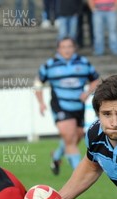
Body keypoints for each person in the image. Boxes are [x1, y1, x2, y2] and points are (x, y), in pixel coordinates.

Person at [35, 37, 99, 175]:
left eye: (69, 46)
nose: (67, 50)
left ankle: (56, 157)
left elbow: (95, 80)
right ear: (58, 49)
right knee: (70, 138)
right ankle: (80, 173)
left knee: (77, 136)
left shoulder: (83, 63)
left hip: (78, 106)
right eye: (63, 47)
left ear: (74, 48)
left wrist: (88, 92)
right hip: (61, 106)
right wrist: (41, 102)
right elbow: (38, 83)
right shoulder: (50, 65)